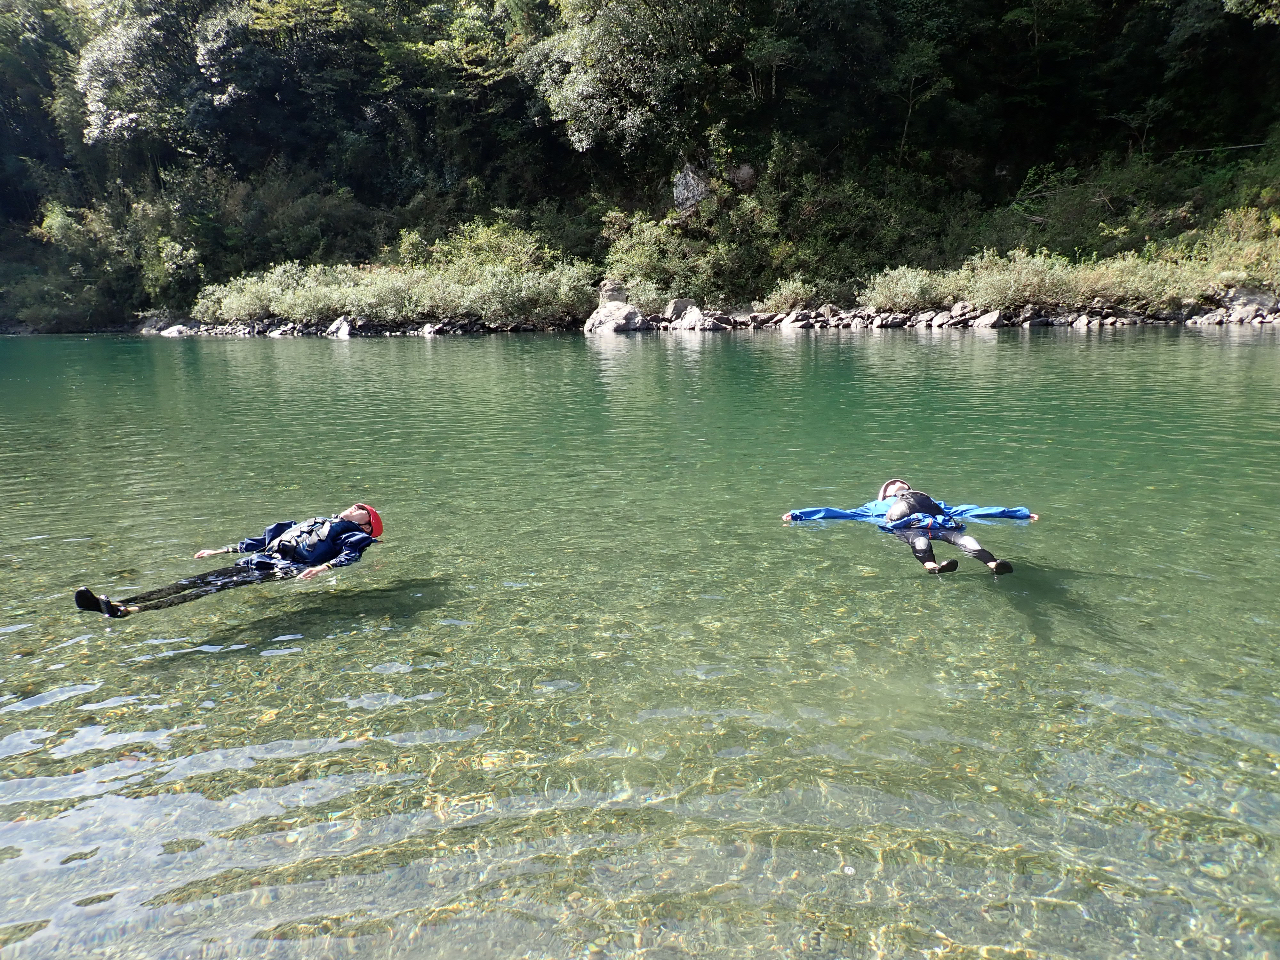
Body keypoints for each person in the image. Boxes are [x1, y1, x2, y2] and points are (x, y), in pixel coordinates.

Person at [74, 503, 383, 618]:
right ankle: (116, 603)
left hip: (285, 568)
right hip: (261, 559)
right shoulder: (315, 521)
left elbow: (350, 555)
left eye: (362, 509)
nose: (355, 506)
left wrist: (322, 567)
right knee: (194, 581)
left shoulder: (357, 534)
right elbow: (264, 539)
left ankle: (131, 609)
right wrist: (219, 551)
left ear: (367, 525)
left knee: (212, 589)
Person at [782, 479, 1036, 574]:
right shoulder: (874, 508)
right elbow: (839, 514)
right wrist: (800, 515)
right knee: (919, 541)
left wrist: (1018, 514)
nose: (898, 486)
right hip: (907, 527)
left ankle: (993, 564)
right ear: (885, 495)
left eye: (903, 485)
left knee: (963, 539)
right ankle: (933, 566)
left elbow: (971, 510)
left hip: (938, 524)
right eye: (893, 486)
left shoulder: (933, 504)